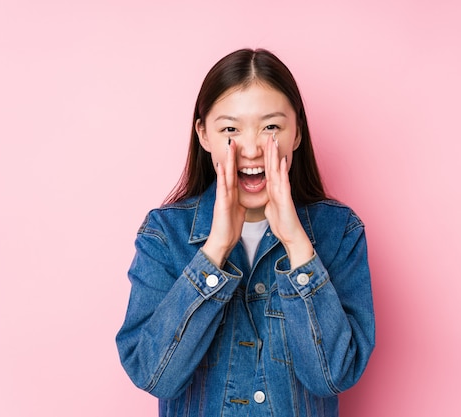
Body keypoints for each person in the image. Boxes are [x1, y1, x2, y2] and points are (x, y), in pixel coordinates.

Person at [116, 48, 375, 417]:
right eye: (230, 129)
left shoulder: (340, 232)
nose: (251, 149)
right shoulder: (164, 235)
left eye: (271, 127)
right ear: (203, 134)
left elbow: (333, 376)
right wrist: (215, 250)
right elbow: (153, 375)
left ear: (297, 132)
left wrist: (298, 246)